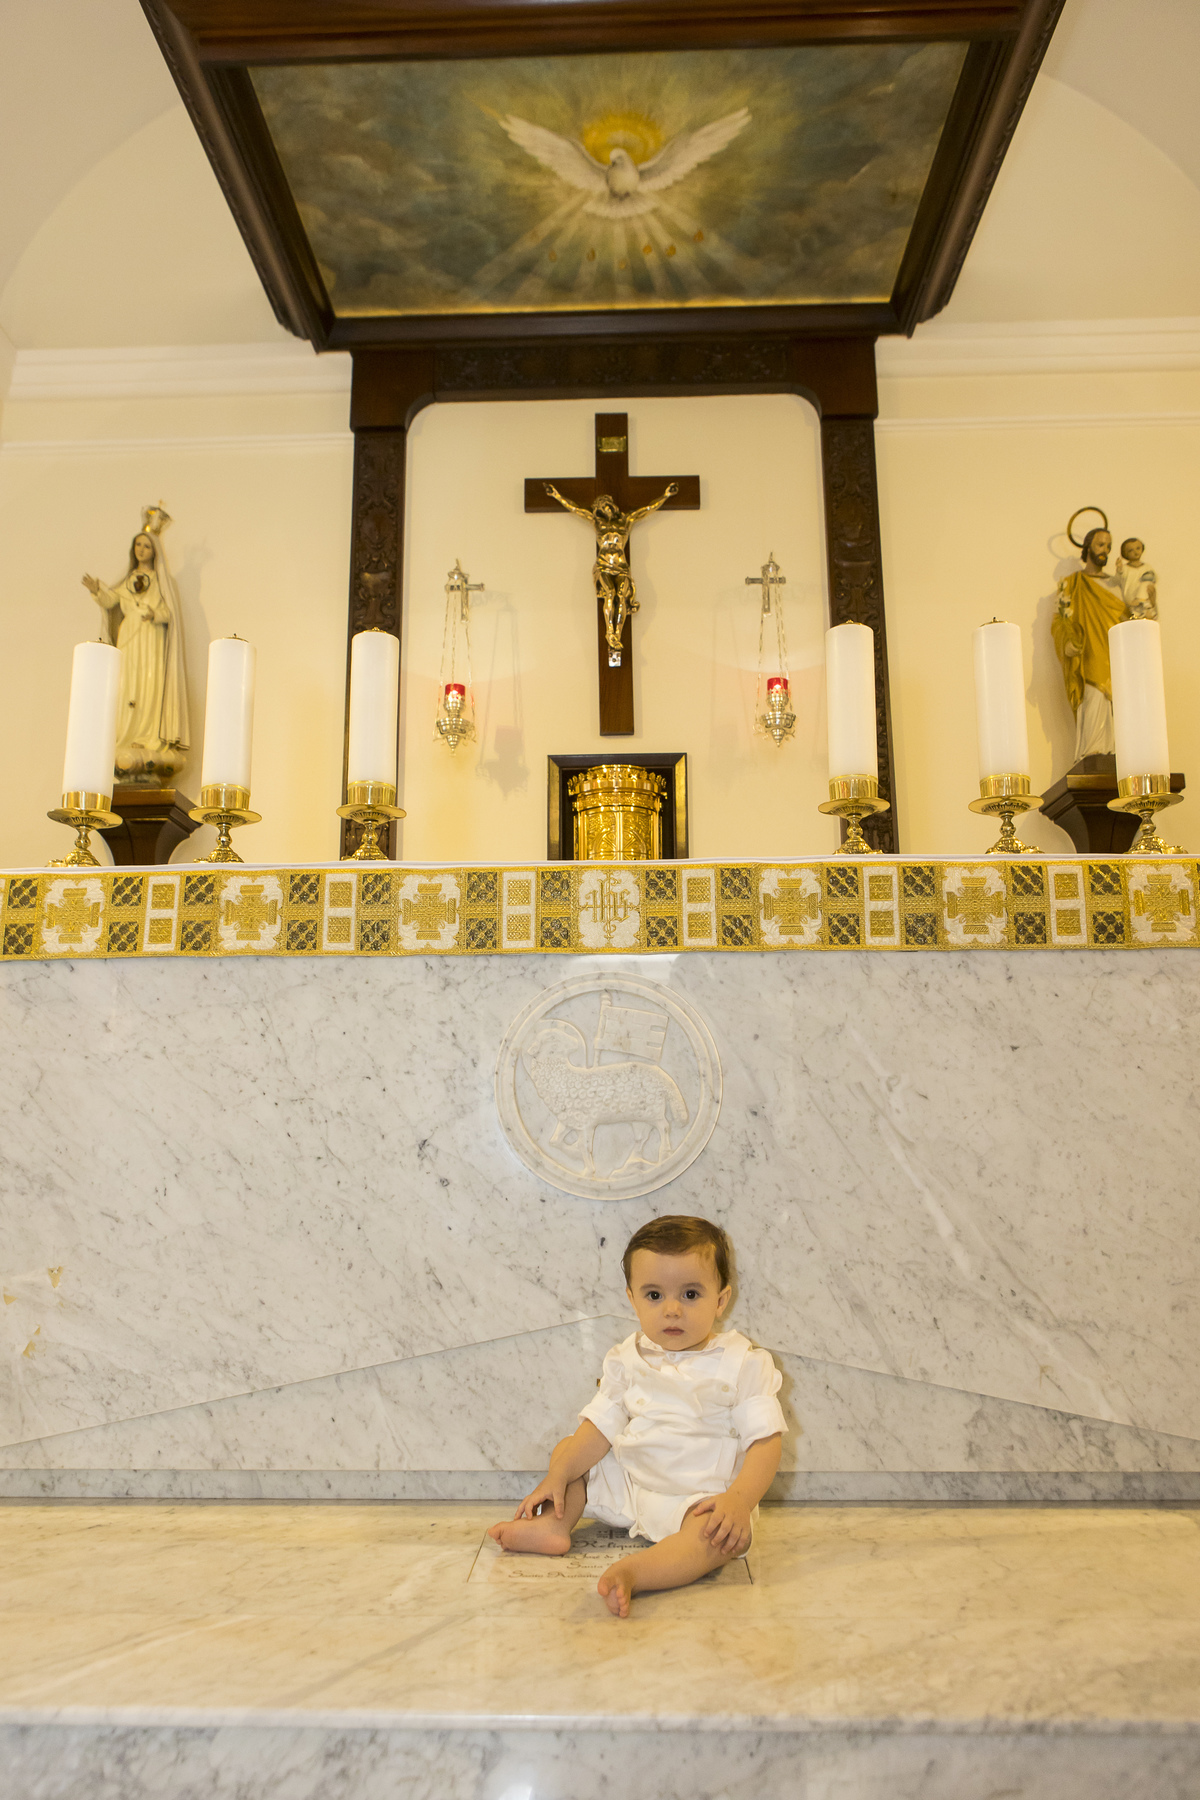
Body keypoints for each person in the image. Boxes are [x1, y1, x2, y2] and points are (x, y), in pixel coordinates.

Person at [488, 1214, 785, 1618]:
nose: (672, 1310)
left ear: (721, 1300)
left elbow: (766, 1442)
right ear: (632, 1299)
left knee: (716, 1537)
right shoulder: (627, 1358)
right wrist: (557, 1477)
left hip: (700, 1499)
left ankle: (638, 1572)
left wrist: (739, 1500)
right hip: (631, 1486)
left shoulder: (743, 1362)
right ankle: (554, 1525)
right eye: (654, 1295)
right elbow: (599, 1428)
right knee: (570, 1450)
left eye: (691, 1294)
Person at [81, 511, 189, 782]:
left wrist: (156, 614)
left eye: (146, 546)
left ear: (154, 551)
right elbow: (110, 601)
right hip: (130, 635)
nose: (141, 550)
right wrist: (97, 590)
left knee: (149, 685)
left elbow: (169, 612)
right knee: (128, 684)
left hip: (151, 638)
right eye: (138, 545)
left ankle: (147, 735)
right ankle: (127, 734)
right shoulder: (128, 581)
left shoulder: (162, 582)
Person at [1051, 525, 1128, 760]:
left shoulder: (1116, 584)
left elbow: (1127, 618)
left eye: (1108, 546)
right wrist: (1067, 643)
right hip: (1089, 654)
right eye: (1100, 544)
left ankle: (1116, 752)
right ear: (1087, 547)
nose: (1105, 550)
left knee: (1119, 704)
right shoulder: (1072, 584)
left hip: (1115, 655)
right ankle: (1093, 752)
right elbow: (1060, 621)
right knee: (1094, 698)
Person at [1114, 537, 1158, 619]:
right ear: (1125, 554)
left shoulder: (1146, 567)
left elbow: (1153, 579)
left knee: (1147, 581)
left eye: (1138, 548)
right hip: (1131, 600)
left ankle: (1142, 603)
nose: (1135, 552)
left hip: (1145, 599)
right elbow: (1118, 578)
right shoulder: (1125, 568)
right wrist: (1119, 568)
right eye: (1131, 550)